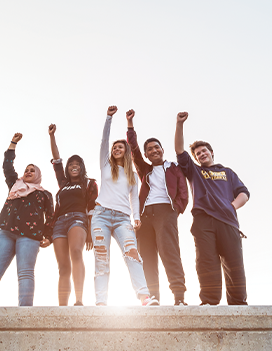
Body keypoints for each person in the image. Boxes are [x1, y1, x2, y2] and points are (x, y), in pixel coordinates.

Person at [174, 112, 250, 305]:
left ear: (211, 152)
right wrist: (179, 124)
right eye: (198, 153)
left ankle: (238, 304)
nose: (201, 154)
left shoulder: (227, 172)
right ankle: (209, 302)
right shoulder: (195, 171)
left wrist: (231, 207)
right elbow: (180, 151)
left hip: (228, 221)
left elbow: (244, 193)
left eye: (204, 151)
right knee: (206, 262)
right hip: (203, 220)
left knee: (234, 264)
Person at [91, 105, 158, 306]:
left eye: (121, 147)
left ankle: (144, 297)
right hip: (101, 215)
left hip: (122, 219)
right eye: (115, 147)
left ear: (126, 151)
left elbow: (134, 198)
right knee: (102, 258)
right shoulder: (105, 165)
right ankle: (101, 302)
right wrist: (109, 118)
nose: (116, 148)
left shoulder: (131, 175)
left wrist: (136, 217)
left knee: (133, 256)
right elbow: (104, 141)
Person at [0, 133, 54, 306]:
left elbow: (50, 217)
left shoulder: (45, 194)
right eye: (26, 169)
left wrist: (49, 236)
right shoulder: (15, 186)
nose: (28, 172)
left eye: (32, 170)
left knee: (25, 273)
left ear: (38, 175)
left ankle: (25, 313)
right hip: (6, 233)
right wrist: (13, 144)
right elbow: (7, 166)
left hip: (30, 236)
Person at [125, 109, 188, 305]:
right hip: (145, 216)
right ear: (146, 154)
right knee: (148, 257)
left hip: (165, 212)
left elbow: (183, 194)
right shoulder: (145, 170)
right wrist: (130, 124)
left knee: (169, 252)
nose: (153, 151)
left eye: (156, 147)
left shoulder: (174, 168)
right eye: (149, 150)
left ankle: (178, 296)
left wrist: (175, 210)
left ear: (162, 149)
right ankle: (153, 298)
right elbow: (133, 150)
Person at [48, 123, 98, 306]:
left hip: (78, 219)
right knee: (63, 267)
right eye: (71, 164)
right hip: (59, 223)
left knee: (76, 252)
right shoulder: (63, 183)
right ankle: (62, 307)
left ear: (81, 167)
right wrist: (52, 136)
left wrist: (91, 231)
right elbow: (57, 160)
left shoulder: (89, 183)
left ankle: (78, 300)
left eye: (77, 165)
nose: (73, 166)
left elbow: (93, 207)